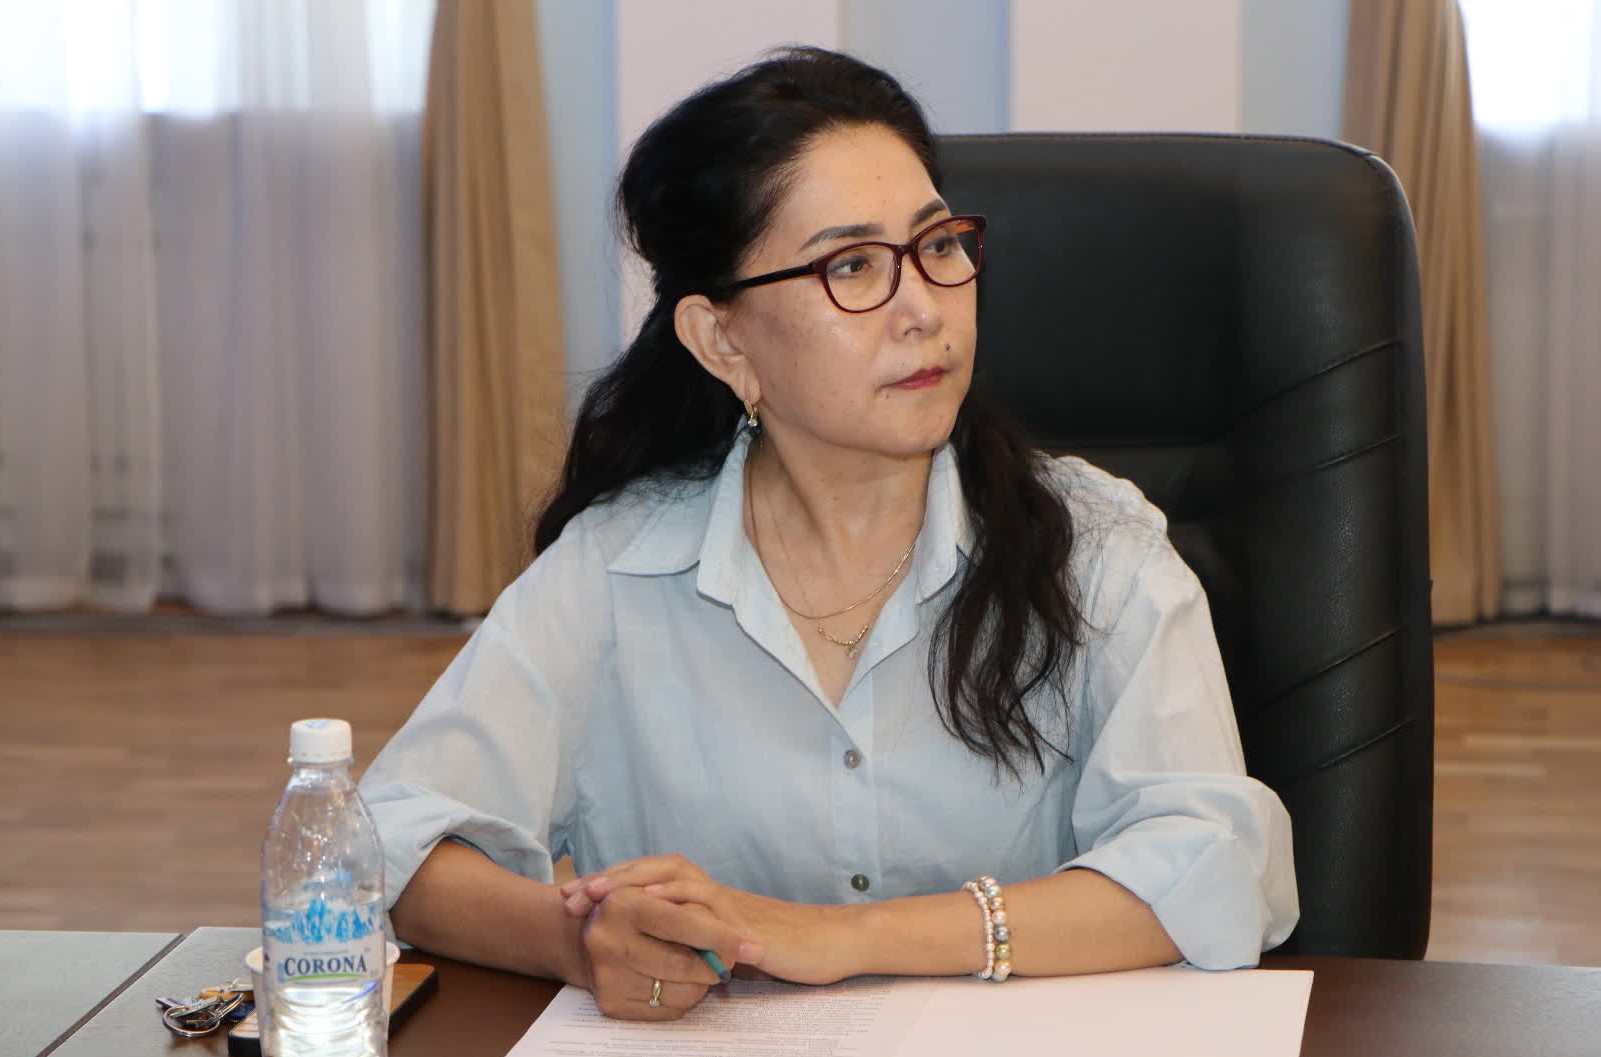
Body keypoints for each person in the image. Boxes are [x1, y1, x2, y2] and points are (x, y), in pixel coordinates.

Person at [358, 46, 1298, 1021]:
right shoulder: (616, 569)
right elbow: (391, 844)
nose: (923, 309)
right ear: (722, 339)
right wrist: (577, 940)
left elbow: (1214, 860)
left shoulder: (1093, 549)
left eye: (938, 246)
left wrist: (842, 937)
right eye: (851, 265)